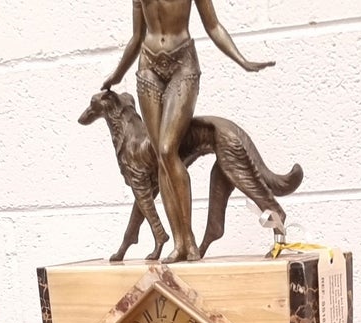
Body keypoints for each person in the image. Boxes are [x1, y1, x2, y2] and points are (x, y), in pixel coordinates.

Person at [103, 0, 273, 262]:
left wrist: (242, 60)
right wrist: (117, 74)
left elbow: (213, 26)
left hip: (183, 64)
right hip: (148, 66)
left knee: (167, 149)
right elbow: (137, 37)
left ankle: (189, 242)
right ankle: (180, 243)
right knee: (161, 159)